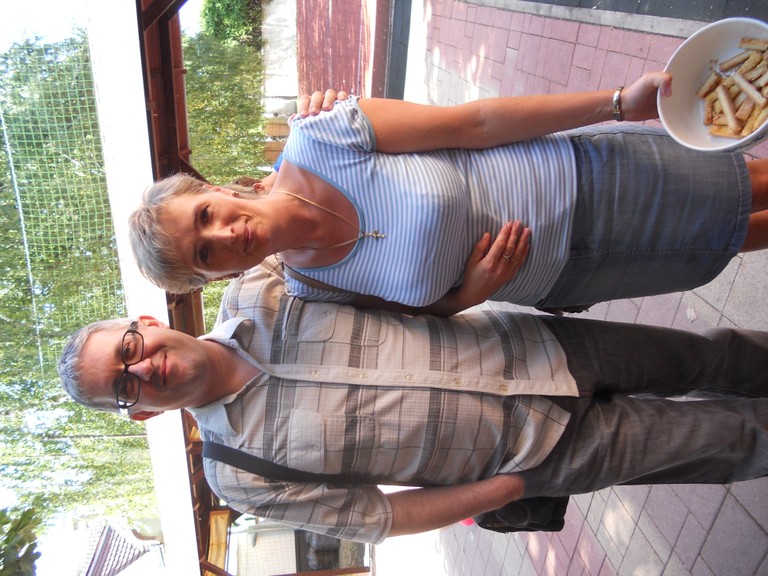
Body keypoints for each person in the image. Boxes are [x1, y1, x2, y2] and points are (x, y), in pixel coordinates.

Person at [59, 256, 768, 543]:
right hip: (540, 454)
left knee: (714, 354)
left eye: (128, 349)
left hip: (546, 347)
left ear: (145, 322)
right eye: (124, 386)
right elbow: (378, 516)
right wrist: (508, 489)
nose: (141, 368)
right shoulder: (236, 474)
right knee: (729, 443)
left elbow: (366, 242)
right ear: (140, 412)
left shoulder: (261, 285)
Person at [128, 72, 768, 316]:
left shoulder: (321, 137)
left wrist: (617, 104)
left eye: (204, 216)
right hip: (566, 276)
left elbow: (475, 122)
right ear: (216, 277)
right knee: (729, 240)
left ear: (213, 189)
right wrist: (472, 292)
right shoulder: (313, 289)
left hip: (588, 182)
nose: (223, 235)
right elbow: (423, 315)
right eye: (205, 254)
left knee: (744, 185)